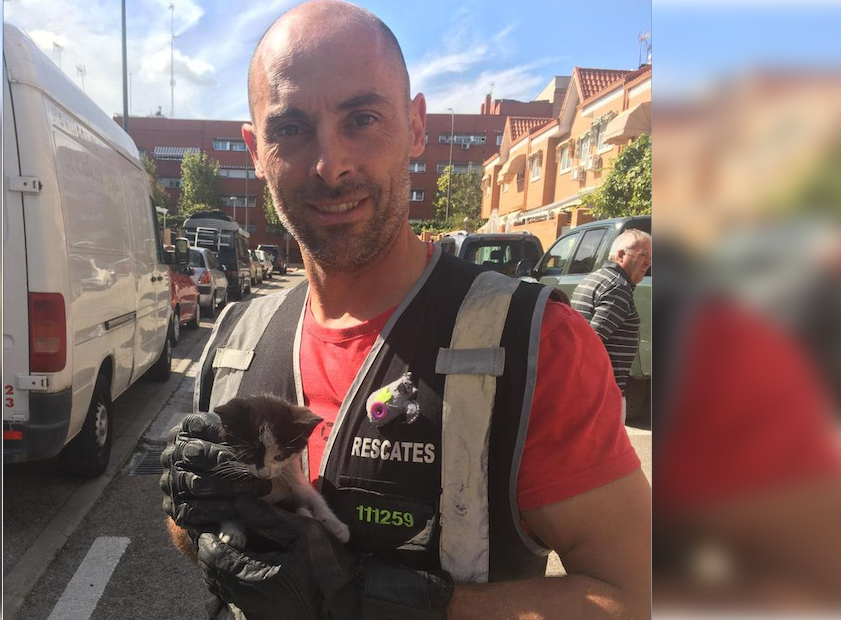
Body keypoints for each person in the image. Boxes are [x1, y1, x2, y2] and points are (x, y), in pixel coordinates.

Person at [160, 2, 650, 618]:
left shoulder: (535, 345)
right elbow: (194, 534)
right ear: (256, 152)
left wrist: (387, 601)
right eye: (291, 129)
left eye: (361, 118)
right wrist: (186, 508)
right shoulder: (237, 340)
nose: (330, 164)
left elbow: (634, 595)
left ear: (416, 127)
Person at [570, 229, 651, 401]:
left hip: (588, 388)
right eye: (643, 255)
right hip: (602, 393)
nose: (648, 264)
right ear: (621, 255)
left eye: (651, 259)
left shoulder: (594, 278)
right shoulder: (618, 288)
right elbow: (592, 341)